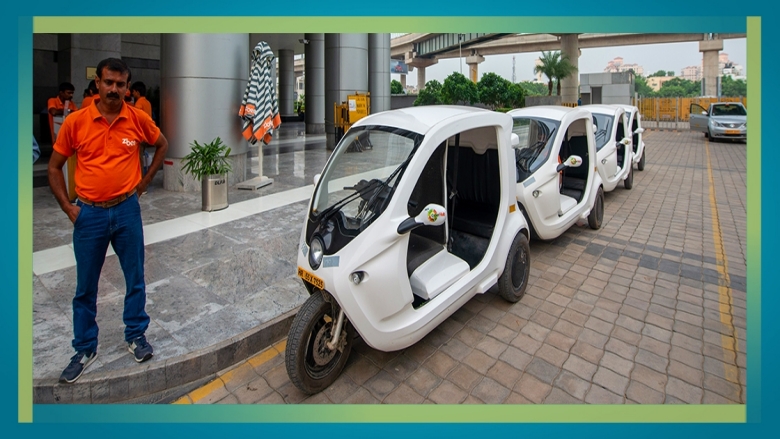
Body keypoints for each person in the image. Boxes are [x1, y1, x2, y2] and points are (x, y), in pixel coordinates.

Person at [47, 57, 169, 383]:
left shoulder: (137, 119)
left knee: (135, 278)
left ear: (128, 87)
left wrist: (142, 186)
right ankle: (85, 347)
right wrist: (68, 207)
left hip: (127, 210)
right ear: (97, 84)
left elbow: (161, 145)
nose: (114, 89)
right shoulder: (76, 122)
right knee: (85, 286)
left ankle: (136, 335)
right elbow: (54, 166)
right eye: (108, 82)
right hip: (89, 215)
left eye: (120, 84)